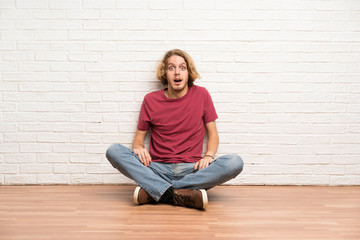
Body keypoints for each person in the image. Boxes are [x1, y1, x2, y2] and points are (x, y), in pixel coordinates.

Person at [106, 49, 244, 210]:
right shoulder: (150, 100)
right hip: (156, 167)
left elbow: (213, 135)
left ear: (188, 72)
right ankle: (180, 194)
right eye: (171, 68)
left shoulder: (202, 94)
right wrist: (138, 147)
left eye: (182, 67)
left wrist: (208, 156)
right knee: (113, 151)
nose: (177, 72)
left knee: (235, 162)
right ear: (165, 73)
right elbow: (139, 137)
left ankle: (157, 191)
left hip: (192, 169)